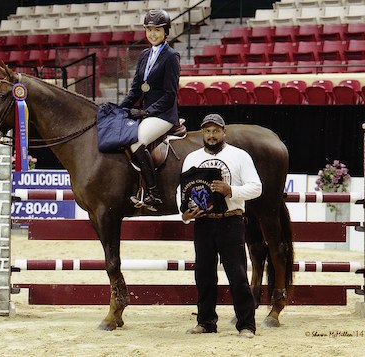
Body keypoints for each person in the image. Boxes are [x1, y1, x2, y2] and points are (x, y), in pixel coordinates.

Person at [177, 113, 262, 338]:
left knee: (238, 275)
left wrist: (231, 190)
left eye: (216, 131)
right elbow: (182, 191)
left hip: (231, 221)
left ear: (224, 132)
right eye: (207, 131)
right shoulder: (191, 158)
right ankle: (205, 322)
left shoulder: (240, 156)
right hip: (203, 223)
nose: (211, 135)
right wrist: (184, 213)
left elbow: (257, 188)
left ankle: (246, 324)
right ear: (202, 133)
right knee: (203, 275)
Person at [120, 9, 180, 212]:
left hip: (163, 114)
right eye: (149, 30)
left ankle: (153, 193)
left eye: (157, 30)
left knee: (135, 141)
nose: (153, 34)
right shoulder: (145, 55)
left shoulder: (172, 56)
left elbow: (170, 95)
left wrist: (146, 112)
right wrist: (121, 108)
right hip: (147, 112)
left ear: (165, 32)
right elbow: (137, 88)